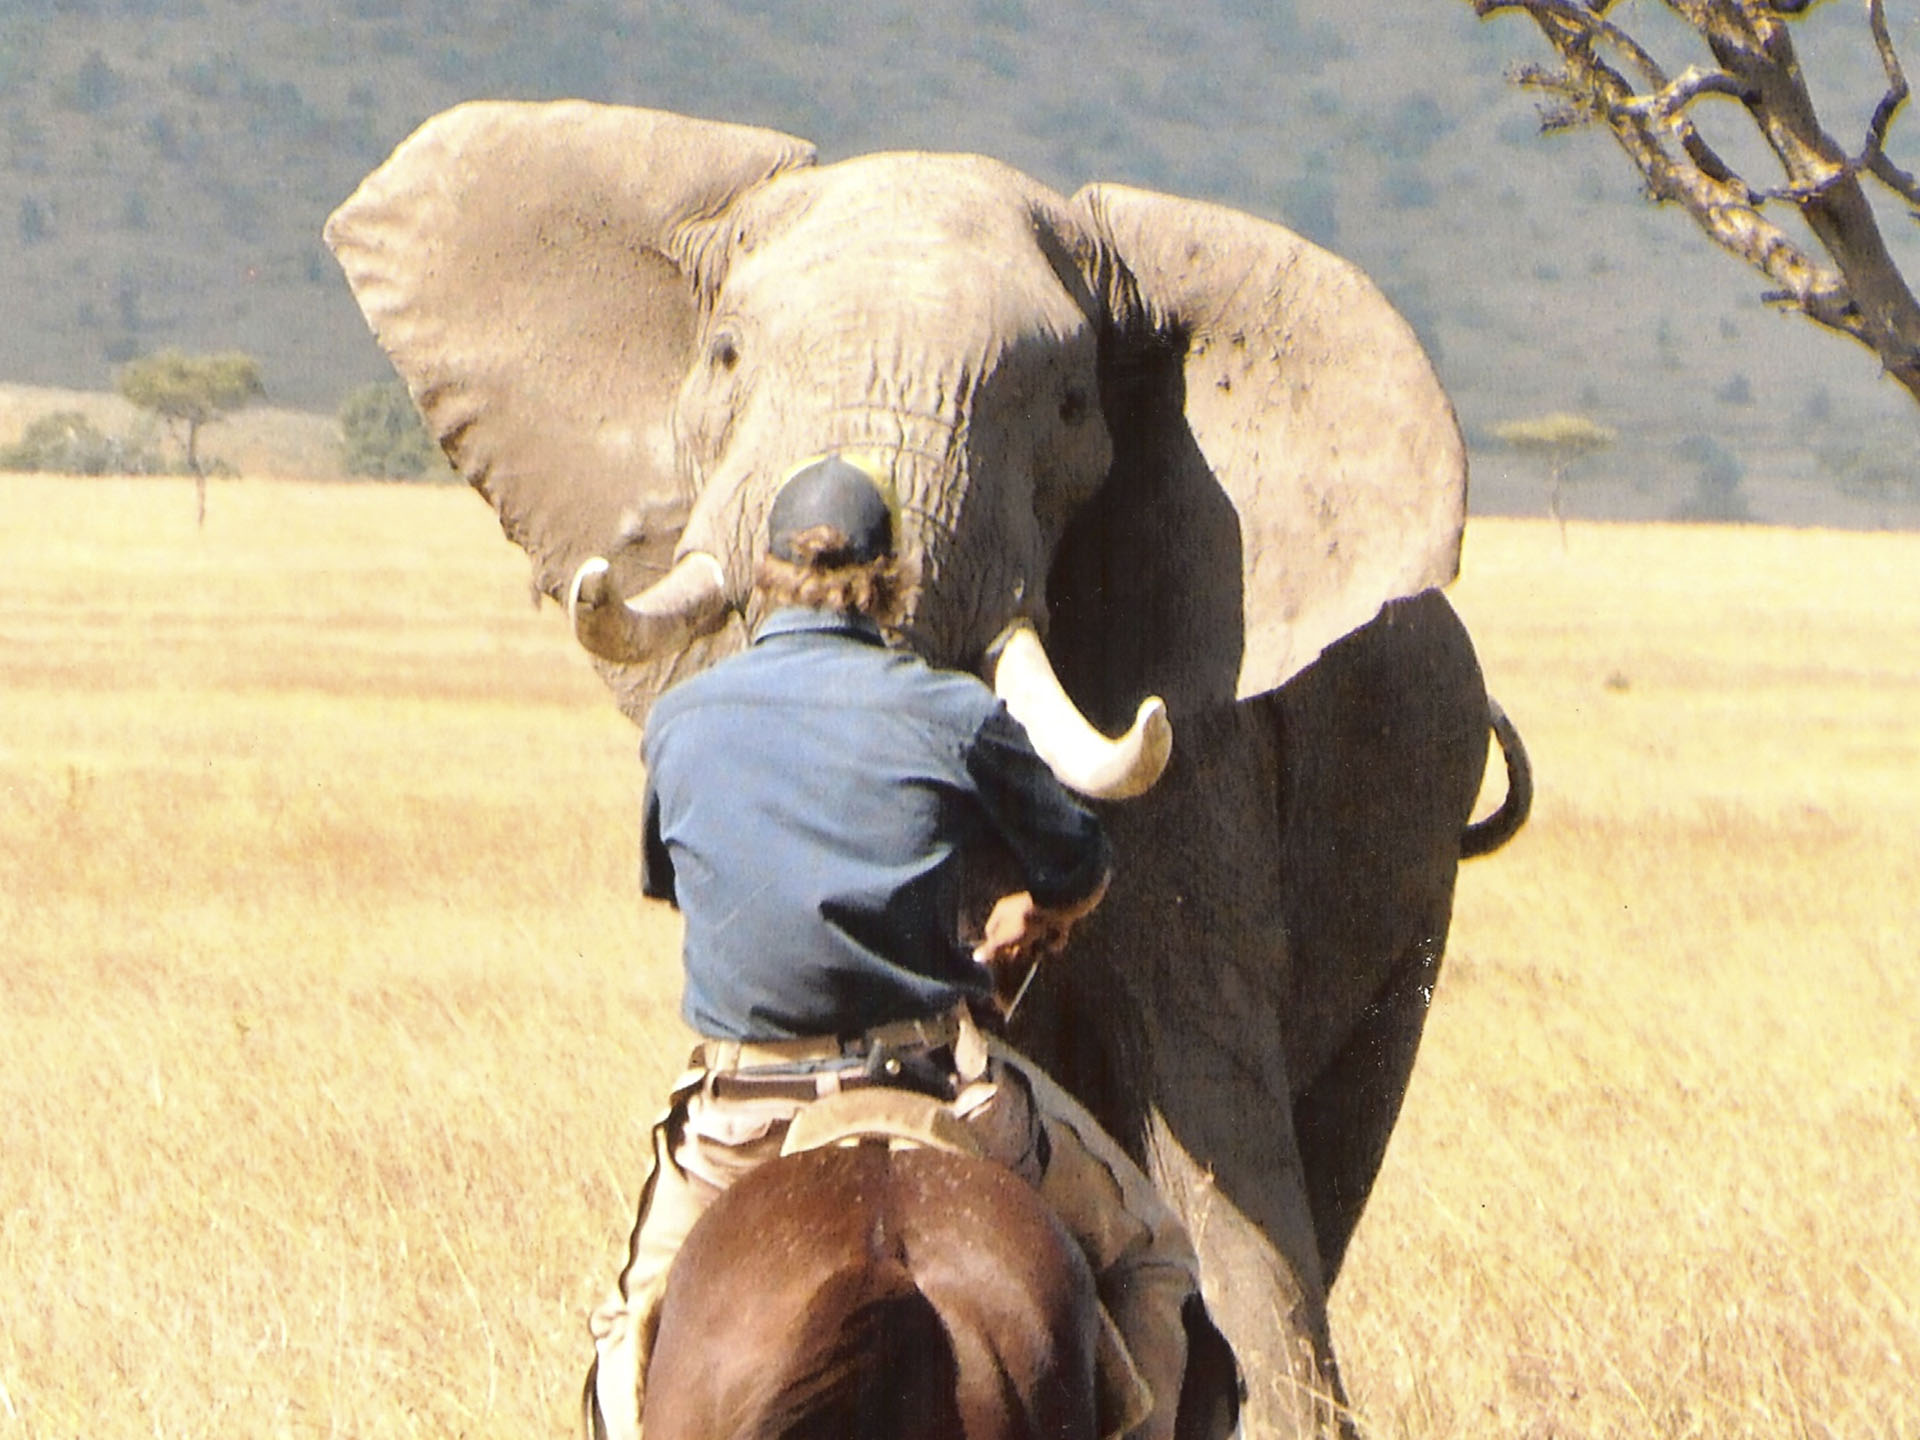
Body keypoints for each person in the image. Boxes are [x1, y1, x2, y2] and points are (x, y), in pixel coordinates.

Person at [584, 452, 1204, 1440]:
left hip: (743, 1113)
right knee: (1157, 1260)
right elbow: (1080, 858)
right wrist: (1031, 910)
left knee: (627, 1339)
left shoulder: (681, 719)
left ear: (763, 577)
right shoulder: (954, 713)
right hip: (943, 1088)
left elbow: (677, 883)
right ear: (891, 583)